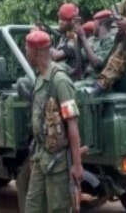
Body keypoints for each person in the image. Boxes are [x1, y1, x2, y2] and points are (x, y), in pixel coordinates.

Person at [24, 30, 83, 213]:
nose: (26, 54)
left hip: (58, 162)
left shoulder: (59, 81)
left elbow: (72, 124)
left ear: (35, 52)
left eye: (27, 50)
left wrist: (77, 164)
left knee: (58, 209)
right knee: (32, 206)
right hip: (41, 157)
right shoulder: (40, 78)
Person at [76, 10, 117, 79]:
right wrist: (78, 38)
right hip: (87, 77)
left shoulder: (111, 41)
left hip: (99, 81)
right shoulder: (93, 39)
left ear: (99, 24)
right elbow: (80, 58)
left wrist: (83, 37)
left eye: (94, 23)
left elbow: (97, 64)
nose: (93, 25)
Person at [50, 3, 82, 78]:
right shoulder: (64, 36)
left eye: (64, 20)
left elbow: (56, 56)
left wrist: (45, 45)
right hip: (60, 72)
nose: (60, 22)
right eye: (60, 19)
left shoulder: (75, 36)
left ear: (72, 21)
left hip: (69, 75)